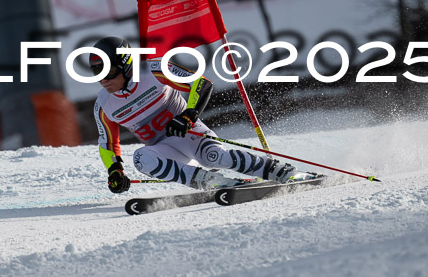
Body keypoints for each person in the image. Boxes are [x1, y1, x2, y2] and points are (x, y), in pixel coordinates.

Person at [90, 36, 316, 194]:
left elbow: (201, 83)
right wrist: (115, 170)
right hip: (163, 148)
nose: (103, 79)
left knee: (216, 158)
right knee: (141, 158)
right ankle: (209, 182)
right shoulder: (104, 105)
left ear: (125, 64)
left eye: (108, 70)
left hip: (190, 134)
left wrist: (188, 115)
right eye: (97, 72)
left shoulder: (153, 70)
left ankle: (281, 172)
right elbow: (108, 143)